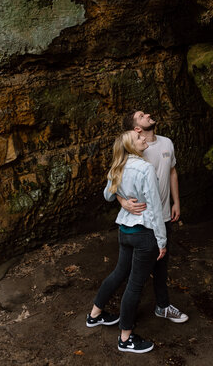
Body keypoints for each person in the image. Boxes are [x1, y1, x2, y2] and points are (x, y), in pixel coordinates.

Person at [86, 130, 167, 354]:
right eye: (138, 138)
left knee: (119, 273)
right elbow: (155, 207)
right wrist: (162, 240)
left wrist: (122, 200)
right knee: (134, 285)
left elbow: (107, 195)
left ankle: (94, 315)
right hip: (143, 234)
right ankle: (125, 339)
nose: (143, 138)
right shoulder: (145, 168)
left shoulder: (118, 166)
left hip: (124, 231)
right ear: (131, 146)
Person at [118, 110, 188, 323]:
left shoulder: (167, 142)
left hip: (164, 216)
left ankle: (163, 306)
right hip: (143, 220)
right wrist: (122, 202)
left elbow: (172, 172)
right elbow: (117, 178)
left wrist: (176, 202)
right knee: (128, 270)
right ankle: (115, 313)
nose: (148, 114)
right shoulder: (136, 149)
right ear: (136, 129)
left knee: (161, 265)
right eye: (141, 116)